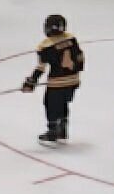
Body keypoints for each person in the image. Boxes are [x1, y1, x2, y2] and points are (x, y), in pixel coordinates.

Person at [20, 12, 83, 146]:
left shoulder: (45, 45)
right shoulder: (71, 39)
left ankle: (53, 130)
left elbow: (41, 68)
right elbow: (80, 59)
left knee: (51, 104)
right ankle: (63, 128)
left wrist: (31, 81)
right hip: (73, 81)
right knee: (63, 103)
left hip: (57, 83)